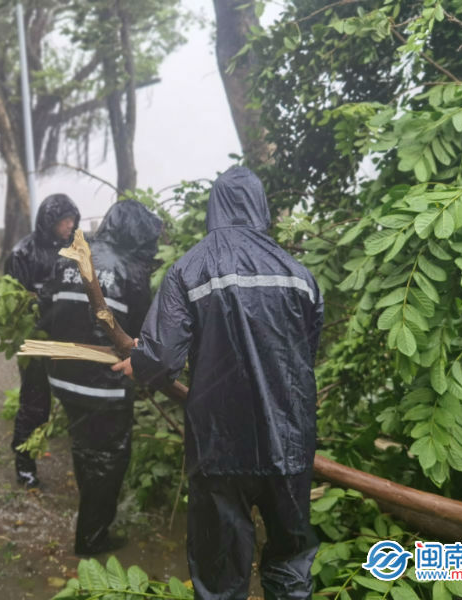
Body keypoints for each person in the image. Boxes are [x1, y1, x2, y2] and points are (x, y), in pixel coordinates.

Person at [113, 166, 324, 600]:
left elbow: (162, 357)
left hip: (220, 447)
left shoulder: (189, 270)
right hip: (290, 445)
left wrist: (139, 364)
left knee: (220, 572)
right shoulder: (299, 276)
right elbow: (306, 355)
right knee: (290, 561)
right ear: (262, 209)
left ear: (215, 208)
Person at [41, 199, 162, 556]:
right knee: (108, 461)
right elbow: (146, 334)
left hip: (64, 378)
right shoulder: (130, 269)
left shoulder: (70, 255)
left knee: (85, 450)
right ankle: (91, 541)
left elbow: (45, 313)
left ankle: (91, 526)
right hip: (105, 386)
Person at [4, 193, 80, 489]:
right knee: (35, 404)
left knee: (76, 399)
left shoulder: (75, 249)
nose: (70, 225)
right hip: (36, 339)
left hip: (69, 338)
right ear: (50, 222)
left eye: (73, 220)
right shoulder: (23, 253)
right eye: (65, 220)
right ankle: (24, 465)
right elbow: (15, 303)